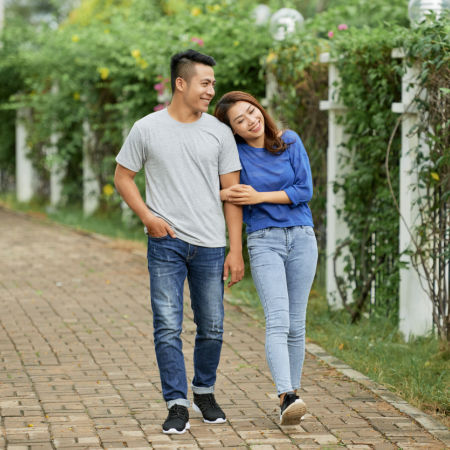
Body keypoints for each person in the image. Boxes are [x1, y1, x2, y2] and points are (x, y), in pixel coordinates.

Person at [114, 50, 244, 435]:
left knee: (213, 326)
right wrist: (148, 218)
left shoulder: (219, 133)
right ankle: (176, 402)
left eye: (213, 84)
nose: (211, 91)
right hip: (165, 242)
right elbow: (123, 177)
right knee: (167, 326)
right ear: (181, 83)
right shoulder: (146, 128)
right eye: (206, 83)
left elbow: (233, 193)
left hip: (209, 244)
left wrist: (236, 250)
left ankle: (204, 391)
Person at [214, 91, 317, 425]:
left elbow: (305, 190)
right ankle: (286, 395)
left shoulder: (289, 141)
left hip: (302, 236)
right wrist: (234, 246)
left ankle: (293, 396)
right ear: (234, 131)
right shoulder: (236, 157)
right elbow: (225, 195)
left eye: (251, 111)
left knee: (297, 322)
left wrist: (259, 196)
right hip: (263, 240)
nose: (250, 121)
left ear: (259, 108)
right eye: (239, 121)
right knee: (278, 319)